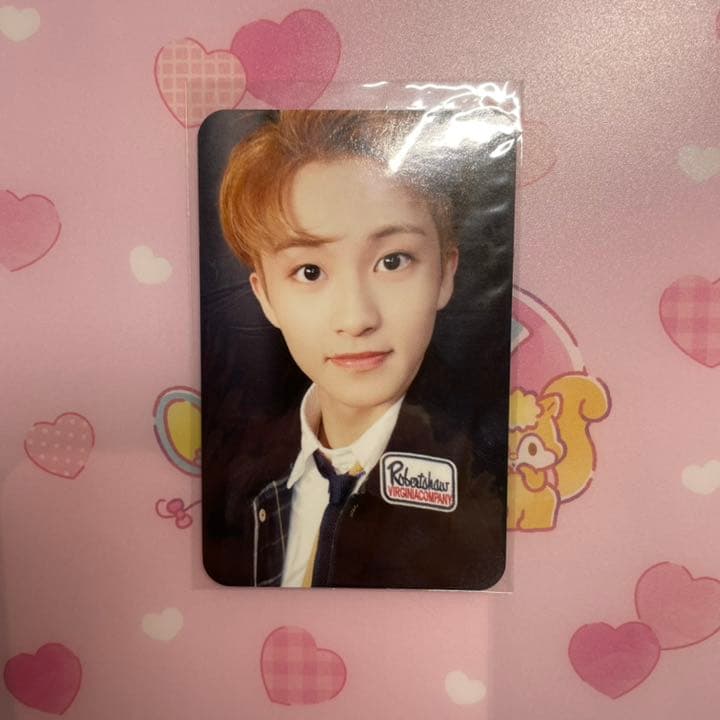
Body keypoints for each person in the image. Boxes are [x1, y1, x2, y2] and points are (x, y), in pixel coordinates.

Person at [207, 110, 506, 589]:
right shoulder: (233, 476)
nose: (356, 318)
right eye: (309, 272)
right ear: (265, 297)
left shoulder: (500, 481)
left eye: (393, 261)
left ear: (445, 273)